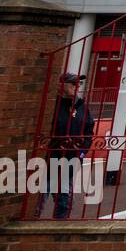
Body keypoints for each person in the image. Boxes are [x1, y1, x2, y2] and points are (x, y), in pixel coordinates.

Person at [47, 71, 94, 219]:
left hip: (70, 160)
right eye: (73, 83)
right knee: (38, 199)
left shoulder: (81, 107)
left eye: (79, 83)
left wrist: (81, 153)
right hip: (49, 159)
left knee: (64, 201)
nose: (77, 86)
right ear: (61, 85)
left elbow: (88, 131)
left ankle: (58, 230)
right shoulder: (52, 105)